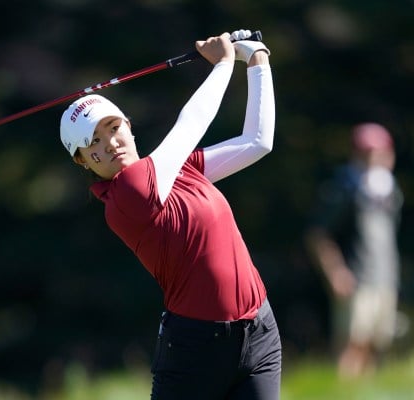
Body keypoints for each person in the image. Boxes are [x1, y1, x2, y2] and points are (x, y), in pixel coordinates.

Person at [60, 30, 281, 399]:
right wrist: (224, 64)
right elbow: (189, 127)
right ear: (82, 162)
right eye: (92, 143)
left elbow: (257, 141)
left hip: (259, 332)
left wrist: (257, 59)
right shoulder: (128, 194)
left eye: (113, 129)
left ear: (128, 127)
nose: (109, 143)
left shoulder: (177, 170)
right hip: (196, 350)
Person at [306, 122, 403, 379]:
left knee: (376, 344)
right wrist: (336, 272)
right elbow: (318, 235)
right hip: (356, 278)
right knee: (352, 343)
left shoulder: (390, 191)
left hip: (384, 278)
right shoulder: (344, 188)